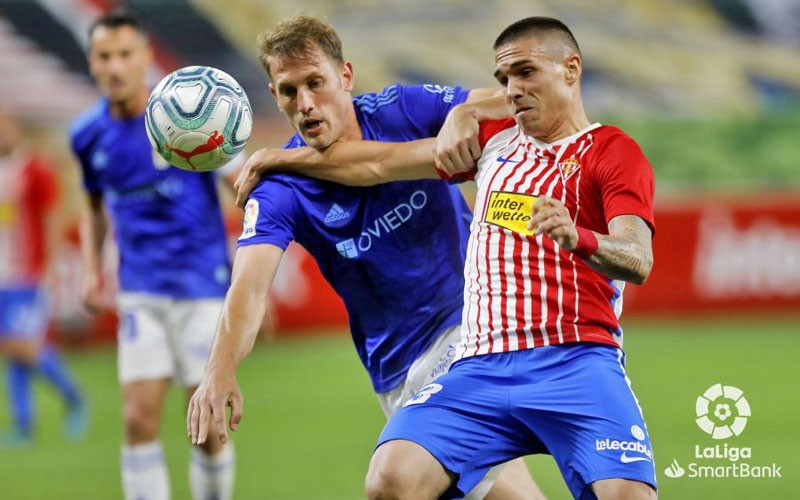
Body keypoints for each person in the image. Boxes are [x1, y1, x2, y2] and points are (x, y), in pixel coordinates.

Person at [199, 16, 659, 500]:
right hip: (405, 368)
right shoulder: (280, 191)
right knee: (400, 484)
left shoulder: (406, 108)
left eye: (316, 83)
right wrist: (219, 369)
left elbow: (504, 101)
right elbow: (249, 287)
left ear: (345, 77)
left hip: (478, 333)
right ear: (274, 97)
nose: (306, 103)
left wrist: (466, 113)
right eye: (290, 92)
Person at [70, 9, 235, 500]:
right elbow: (95, 206)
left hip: (202, 287)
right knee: (137, 419)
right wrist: (91, 270)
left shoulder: (183, 117)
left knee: (205, 428)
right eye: (105, 56)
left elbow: (238, 185)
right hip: (140, 291)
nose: (116, 66)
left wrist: (252, 278)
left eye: (125, 54)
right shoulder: (87, 134)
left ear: (145, 58)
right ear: (92, 63)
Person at [0, 112, 88, 449]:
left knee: (22, 343)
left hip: (27, 273)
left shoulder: (34, 168)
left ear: (16, 127)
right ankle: (23, 424)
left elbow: (53, 215)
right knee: (13, 349)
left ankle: (73, 395)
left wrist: (49, 264)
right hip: (3, 274)